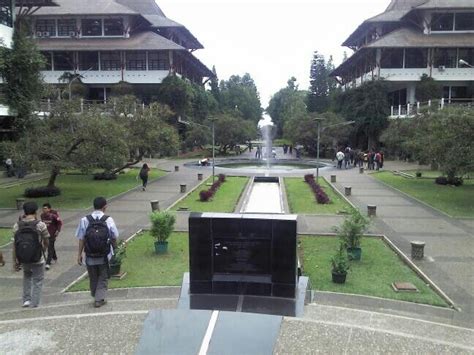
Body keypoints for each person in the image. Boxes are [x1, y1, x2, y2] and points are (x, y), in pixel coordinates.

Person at [76, 197, 118, 308]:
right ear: (104, 207)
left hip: (89, 254)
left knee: (93, 276)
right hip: (104, 254)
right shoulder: (108, 219)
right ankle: (99, 299)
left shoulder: (85, 220)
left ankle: (96, 295)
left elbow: (81, 239)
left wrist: (79, 254)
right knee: (103, 276)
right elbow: (114, 236)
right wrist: (116, 250)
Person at [12, 201, 49, 308]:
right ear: (35, 211)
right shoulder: (40, 225)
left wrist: (15, 261)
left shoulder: (17, 226)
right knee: (38, 280)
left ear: (24, 211)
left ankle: (26, 300)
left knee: (27, 276)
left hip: (23, 258)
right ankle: (35, 303)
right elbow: (46, 240)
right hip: (37, 257)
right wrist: (44, 249)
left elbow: (15, 245)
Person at [41, 203, 63, 270]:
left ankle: (48, 263)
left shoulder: (54, 216)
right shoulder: (42, 216)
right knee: (51, 246)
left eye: (45, 208)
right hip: (45, 234)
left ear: (49, 209)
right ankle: (54, 257)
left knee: (50, 247)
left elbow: (59, 223)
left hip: (52, 234)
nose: (44, 210)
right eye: (43, 208)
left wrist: (58, 230)